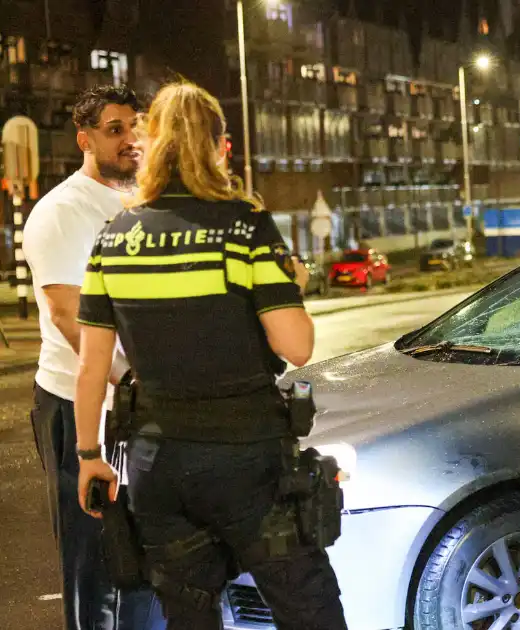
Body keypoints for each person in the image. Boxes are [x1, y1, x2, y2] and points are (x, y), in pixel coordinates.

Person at [72, 80, 348, 629]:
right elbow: (296, 346)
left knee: (188, 615)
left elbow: (91, 366)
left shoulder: (113, 238)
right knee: (308, 608)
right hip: (247, 462)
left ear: (151, 145)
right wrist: (290, 283)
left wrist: (88, 456)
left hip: (157, 467)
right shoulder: (243, 228)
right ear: (220, 148)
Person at [23, 84, 158, 630]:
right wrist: (132, 382)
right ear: (84, 139)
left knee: (148, 557)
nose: (130, 139)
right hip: (83, 406)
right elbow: (66, 314)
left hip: (144, 402)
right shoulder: (63, 211)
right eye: (114, 129)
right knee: (97, 562)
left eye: (136, 127)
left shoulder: (148, 201)